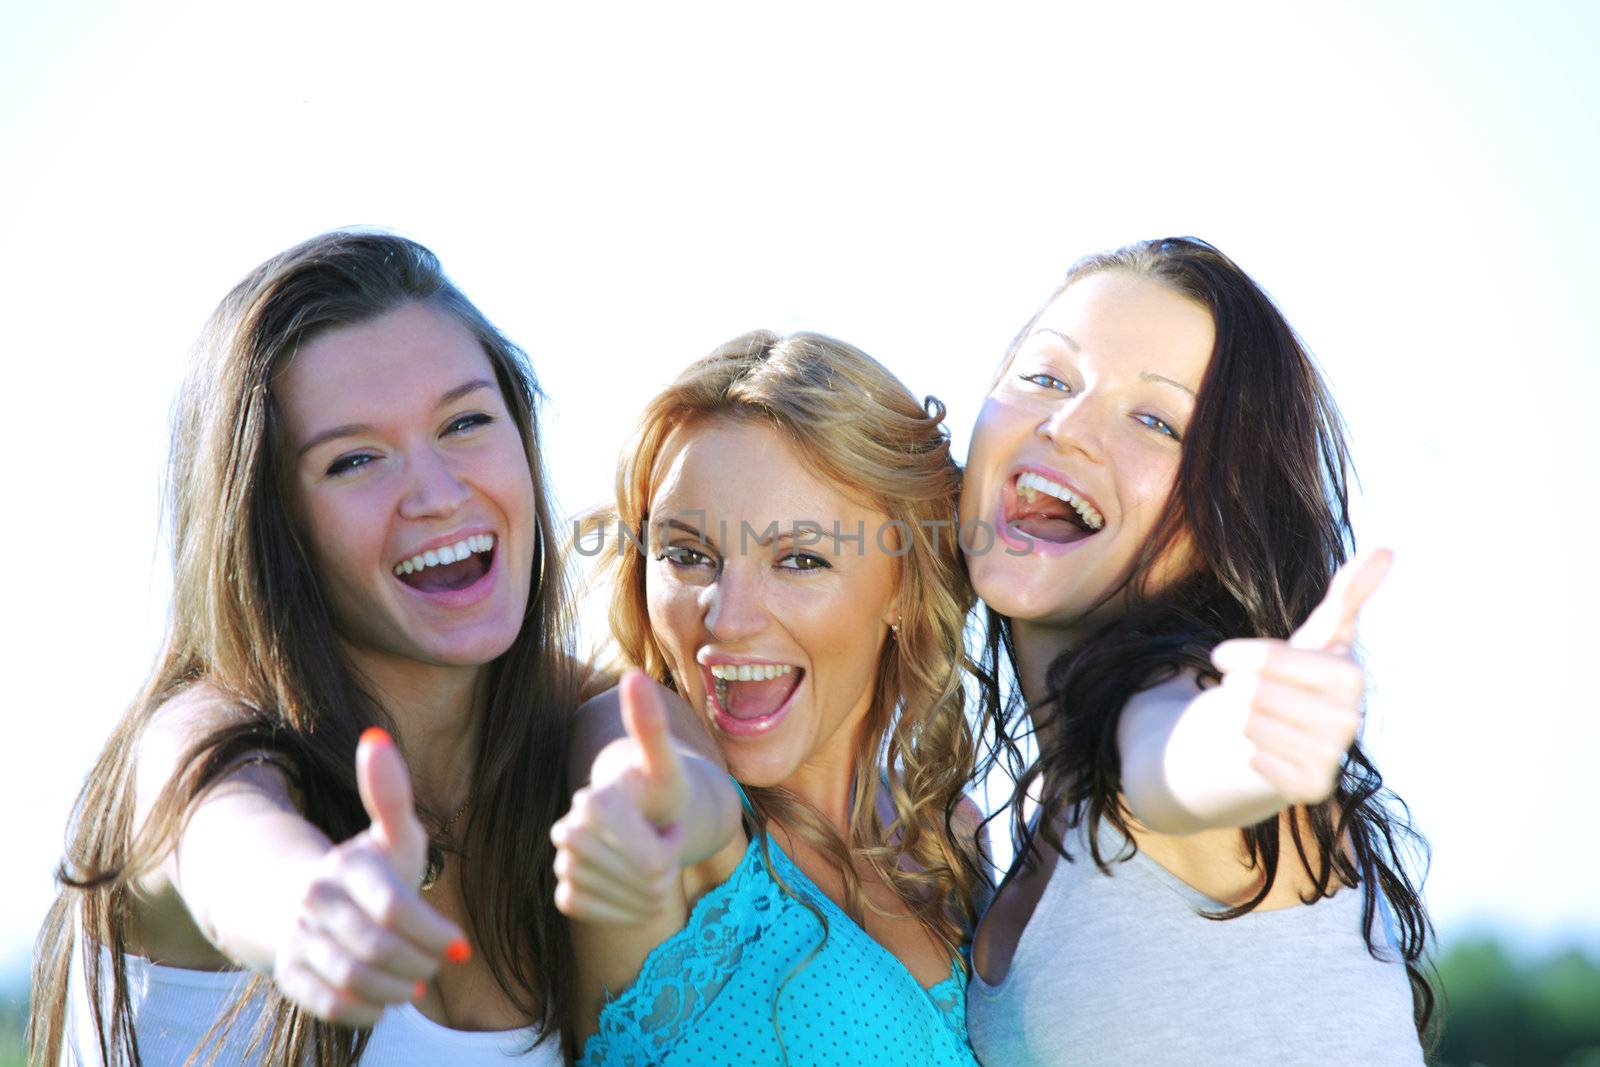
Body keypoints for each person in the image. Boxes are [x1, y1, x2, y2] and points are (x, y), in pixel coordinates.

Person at [30, 231, 584, 1066]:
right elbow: (216, 837)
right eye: (353, 460)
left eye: (466, 421)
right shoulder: (204, 736)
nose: (436, 494)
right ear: (270, 527)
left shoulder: (573, 729)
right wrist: (305, 905)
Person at [960, 237, 1433, 1066]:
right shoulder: (1035, 842)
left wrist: (1242, 746)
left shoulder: (1169, 710)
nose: (1066, 427)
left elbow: (1174, 758)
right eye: (1046, 377)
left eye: (1155, 420)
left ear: (1222, 520)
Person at [552, 331, 987, 1065]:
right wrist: (667, 811)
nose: (727, 616)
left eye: (800, 559)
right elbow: (658, 780)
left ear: (905, 591)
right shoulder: (641, 735)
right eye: (687, 554)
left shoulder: (950, 838)